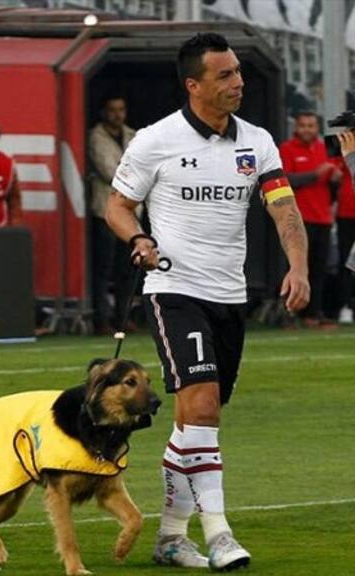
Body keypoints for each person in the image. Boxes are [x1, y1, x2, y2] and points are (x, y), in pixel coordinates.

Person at [106, 33, 310, 571]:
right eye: (225, 75)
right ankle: (219, 533)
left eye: (238, 72)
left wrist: (299, 265)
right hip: (174, 289)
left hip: (228, 294)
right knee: (202, 408)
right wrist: (138, 239)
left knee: (193, 423)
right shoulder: (156, 140)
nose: (238, 82)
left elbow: (283, 210)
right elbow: (118, 206)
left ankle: (171, 536)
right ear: (193, 84)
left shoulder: (258, 142)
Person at [279, 112, 342, 327]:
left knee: (318, 269)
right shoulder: (287, 149)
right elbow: (285, 180)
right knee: (294, 268)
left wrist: (334, 179)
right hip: (297, 218)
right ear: (296, 127)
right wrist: (316, 174)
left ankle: (313, 314)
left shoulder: (325, 149)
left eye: (311, 125)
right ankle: (289, 313)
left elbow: (333, 184)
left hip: (322, 217)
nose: (307, 129)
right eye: (303, 125)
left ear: (317, 128)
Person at [88, 96, 136, 334]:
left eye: (121, 109)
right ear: (103, 112)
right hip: (105, 210)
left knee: (127, 269)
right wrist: (137, 177)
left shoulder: (133, 135)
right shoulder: (96, 137)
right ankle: (102, 319)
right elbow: (110, 171)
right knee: (103, 269)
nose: (117, 115)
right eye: (112, 110)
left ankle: (123, 317)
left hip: (132, 210)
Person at [332, 129, 355, 323]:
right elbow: (333, 174)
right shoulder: (345, 151)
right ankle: (346, 305)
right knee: (347, 263)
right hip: (347, 214)